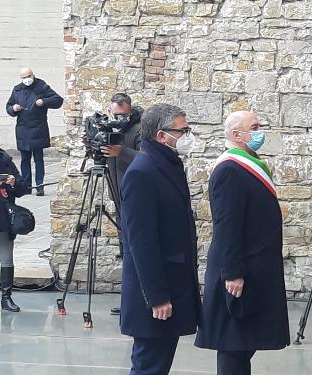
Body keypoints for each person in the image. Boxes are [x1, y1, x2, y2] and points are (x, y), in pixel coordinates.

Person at [195, 111, 290, 375]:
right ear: (236, 135)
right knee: (233, 344)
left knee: (244, 342)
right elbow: (227, 225)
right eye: (254, 127)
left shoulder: (248, 163)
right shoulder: (229, 169)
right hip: (239, 269)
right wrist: (233, 272)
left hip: (255, 265)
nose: (260, 132)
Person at [119, 103, 201, 375]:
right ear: (162, 136)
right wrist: (157, 297)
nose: (187, 136)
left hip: (172, 282)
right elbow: (141, 243)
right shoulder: (142, 173)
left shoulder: (167, 165)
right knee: (149, 366)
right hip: (156, 293)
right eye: (183, 130)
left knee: (159, 363)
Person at [101, 93, 142, 316]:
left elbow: (146, 158)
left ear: (129, 111)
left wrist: (121, 151)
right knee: (124, 249)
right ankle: (128, 298)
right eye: (115, 115)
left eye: (122, 115)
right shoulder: (109, 128)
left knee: (133, 248)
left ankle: (137, 297)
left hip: (134, 196)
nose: (118, 119)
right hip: (117, 194)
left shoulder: (139, 129)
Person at [0, 129, 28, 312]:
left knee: (6, 256)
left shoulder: (6, 160)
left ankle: (6, 297)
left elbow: (22, 187)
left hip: (4, 213)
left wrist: (12, 182)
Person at [5, 67, 63, 196]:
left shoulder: (41, 86)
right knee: (24, 159)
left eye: (28, 76)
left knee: (38, 158)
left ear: (33, 75)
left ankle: (39, 185)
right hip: (23, 129)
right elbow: (8, 107)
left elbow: (58, 100)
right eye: (24, 77)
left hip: (38, 128)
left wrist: (44, 101)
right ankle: (26, 186)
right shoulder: (17, 89)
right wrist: (13, 108)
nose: (27, 79)